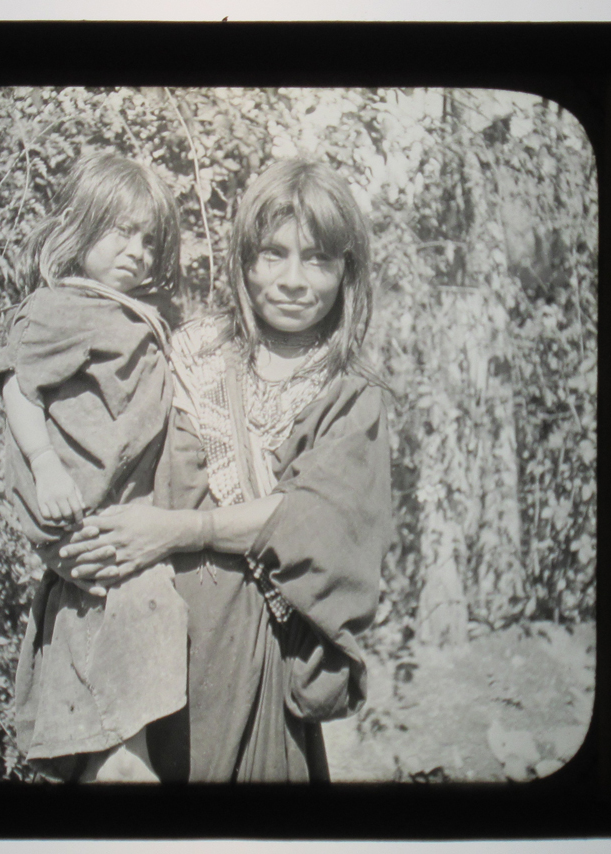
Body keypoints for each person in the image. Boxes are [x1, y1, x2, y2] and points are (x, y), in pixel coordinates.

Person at [59, 159, 395, 782]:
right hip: (156, 647)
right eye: (273, 254)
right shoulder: (187, 353)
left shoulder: (351, 398)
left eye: (318, 260)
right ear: (244, 260)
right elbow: (103, 456)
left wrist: (177, 531)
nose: (293, 280)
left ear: (347, 272)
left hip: (260, 655)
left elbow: (312, 522)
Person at [0, 150, 187, 783]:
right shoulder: (62, 308)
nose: (137, 252)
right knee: (118, 733)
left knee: (118, 714)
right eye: (121, 231)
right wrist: (45, 464)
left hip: (128, 526)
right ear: (80, 226)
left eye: (149, 240)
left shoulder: (131, 314)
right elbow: (17, 383)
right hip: (89, 521)